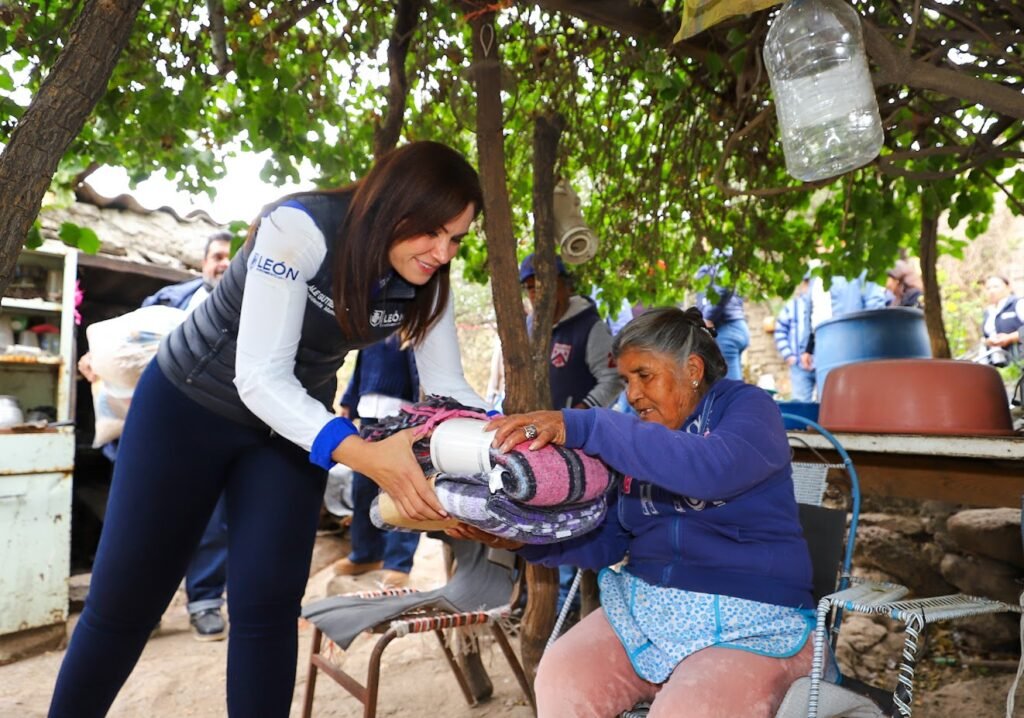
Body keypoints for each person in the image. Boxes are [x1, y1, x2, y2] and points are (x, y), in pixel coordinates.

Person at [49, 141, 488, 718]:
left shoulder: (429, 277)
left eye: (456, 238)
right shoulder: (299, 227)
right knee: (125, 604)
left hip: (287, 431)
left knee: (268, 608)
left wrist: (503, 437)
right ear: (392, 204)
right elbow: (259, 377)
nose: (442, 251)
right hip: (188, 408)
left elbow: (447, 388)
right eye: (434, 231)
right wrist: (369, 457)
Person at [454, 306, 815, 718]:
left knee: (690, 709)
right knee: (562, 675)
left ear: (692, 369)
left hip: (751, 618)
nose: (632, 393)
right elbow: (607, 539)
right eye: (626, 380)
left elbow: (710, 470)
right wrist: (521, 538)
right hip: (649, 608)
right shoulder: (637, 435)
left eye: (645, 376)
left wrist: (588, 426)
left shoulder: (749, 409)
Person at [78, 232, 234, 641]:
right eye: (217, 256)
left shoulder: (249, 311)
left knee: (213, 519)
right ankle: (141, 609)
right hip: (154, 427)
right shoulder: (170, 300)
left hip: (213, 428)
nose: (224, 263)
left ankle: (203, 604)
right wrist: (97, 360)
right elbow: (123, 344)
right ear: (203, 262)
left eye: (232, 258)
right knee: (145, 518)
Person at [332, 335, 421, 587]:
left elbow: (420, 371)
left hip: (404, 415)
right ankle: (366, 554)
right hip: (369, 414)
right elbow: (361, 363)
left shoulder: (412, 323)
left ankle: (398, 563)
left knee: (400, 489)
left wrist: (422, 411)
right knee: (363, 490)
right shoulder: (373, 324)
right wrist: (349, 401)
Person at [518, 253, 624, 410]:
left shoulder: (591, 328)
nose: (541, 295)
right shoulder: (529, 325)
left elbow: (613, 378)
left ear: (567, 286)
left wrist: (580, 412)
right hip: (536, 425)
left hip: (577, 430)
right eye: (532, 288)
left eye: (549, 284)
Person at [695, 258, 750, 381]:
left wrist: (707, 317)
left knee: (731, 390)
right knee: (734, 385)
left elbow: (724, 288)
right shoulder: (729, 260)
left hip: (726, 329)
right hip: (737, 325)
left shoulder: (717, 260)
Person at [773, 276, 816, 401]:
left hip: (820, 362)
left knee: (827, 403)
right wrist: (788, 355)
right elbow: (780, 331)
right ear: (803, 285)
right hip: (798, 365)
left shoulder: (822, 304)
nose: (809, 287)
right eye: (807, 283)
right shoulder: (792, 306)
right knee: (801, 403)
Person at [980, 274, 1023, 367]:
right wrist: (987, 341)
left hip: (1019, 361)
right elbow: (985, 337)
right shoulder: (988, 312)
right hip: (996, 363)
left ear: (1008, 287)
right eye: (988, 288)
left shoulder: (1018, 304)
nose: (991, 291)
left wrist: (1010, 338)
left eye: (995, 286)